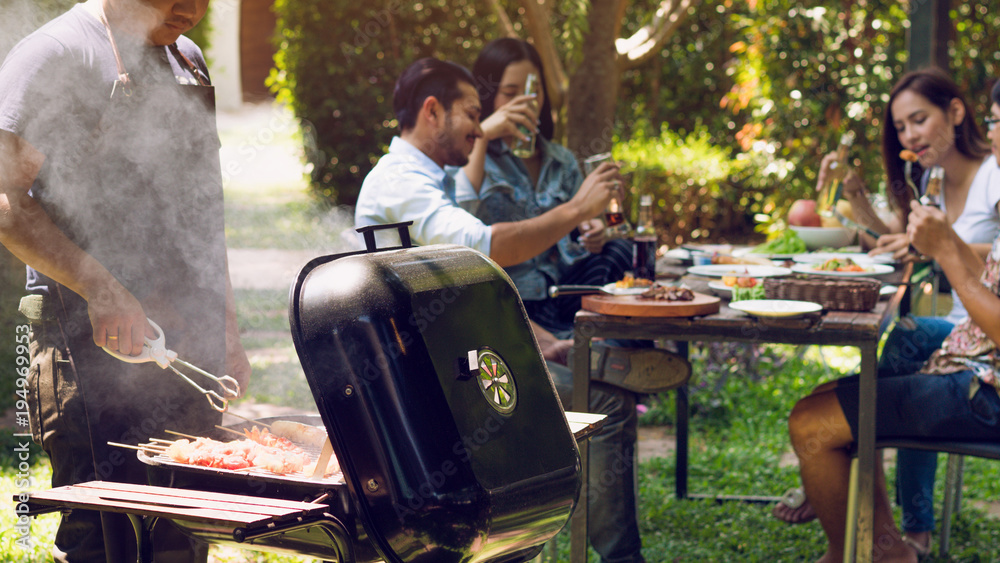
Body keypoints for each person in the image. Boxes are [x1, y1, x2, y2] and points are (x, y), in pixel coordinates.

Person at [355, 56, 647, 563]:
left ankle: (531, 545)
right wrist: (577, 209)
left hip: (459, 361)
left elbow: (467, 290)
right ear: (432, 112)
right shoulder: (403, 185)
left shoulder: (427, 178)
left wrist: (534, 336)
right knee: (605, 402)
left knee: (601, 388)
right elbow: (486, 248)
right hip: (433, 385)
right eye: (471, 114)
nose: (478, 128)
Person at [0, 1, 251, 561]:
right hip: (87, 340)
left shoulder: (187, 58)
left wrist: (226, 327)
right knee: (103, 532)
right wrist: (103, 289)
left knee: (183, 527)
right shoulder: (55, 56)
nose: (191, 7)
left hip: (188, 330)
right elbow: (7, 205)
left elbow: (202, 212)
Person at [774, 70, 1000, 551]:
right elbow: (906, 241)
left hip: (988, 379)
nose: (994, 133)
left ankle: (876, 533)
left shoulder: (990, 176)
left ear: (955, 113)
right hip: (976, 351)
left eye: (919, 119)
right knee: (873, 365)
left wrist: (943, 250)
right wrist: (857, 200)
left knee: (813, 420)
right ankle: (878, 531)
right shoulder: (930, 176)